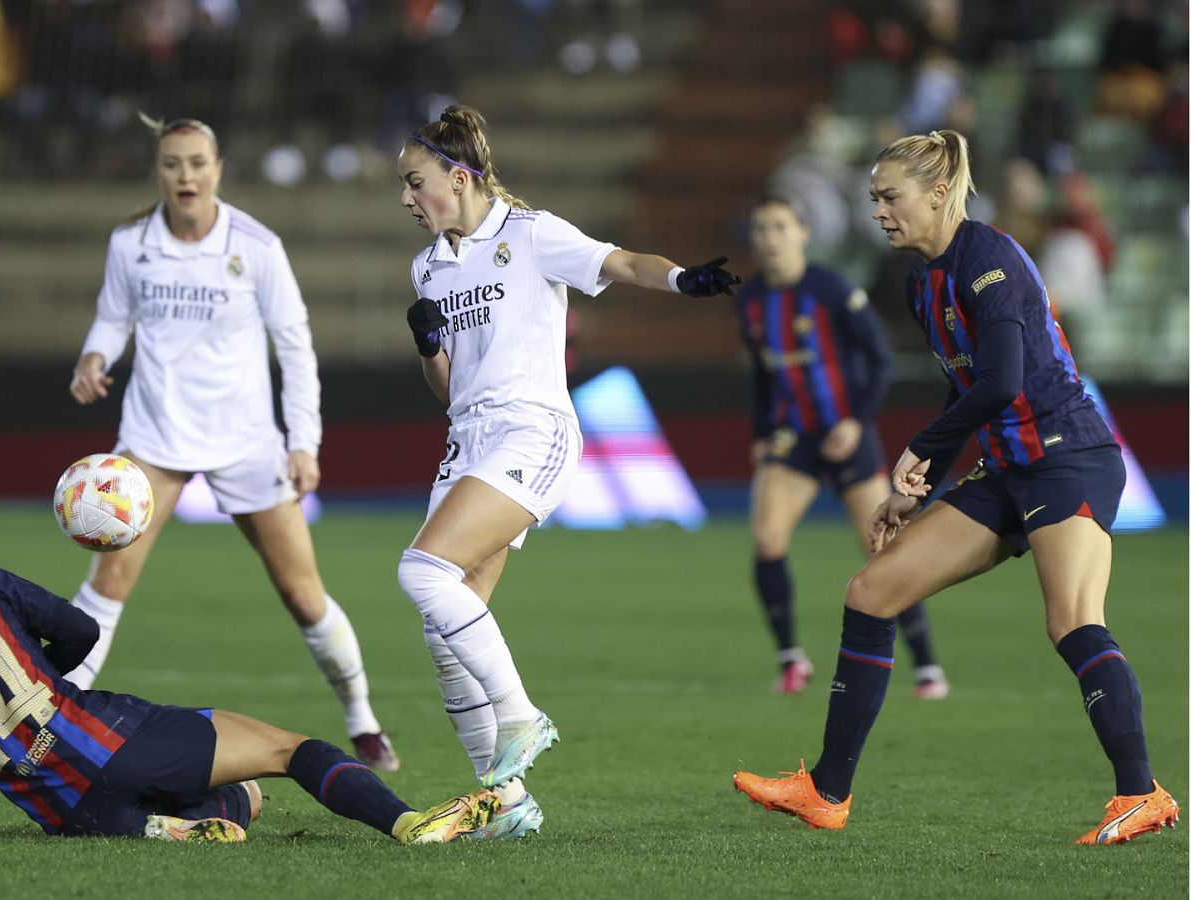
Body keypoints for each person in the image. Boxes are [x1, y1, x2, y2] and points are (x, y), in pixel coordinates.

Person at [733, 130, 1179, 845]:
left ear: (939, 194)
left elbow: (1003, 381)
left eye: (890, 196)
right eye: (874, 197)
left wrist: (919, 447)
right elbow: (966, 388)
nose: (878, 211)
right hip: (1005, 467)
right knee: (870, 593)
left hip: (1068, 458)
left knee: (1072, 620)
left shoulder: (989, 259)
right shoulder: (923, 283)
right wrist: (921, 481)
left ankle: (1141, 792)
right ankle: (826, 792)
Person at [395, 104, 739, 840]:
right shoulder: (427, 265)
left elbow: (619, 264)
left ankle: (519, 714)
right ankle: (508, 804)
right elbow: (449, 389)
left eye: (414, 181)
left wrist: (683, 281)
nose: (405, 198)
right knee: (440, 626)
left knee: (423, 572)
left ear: (458, 178)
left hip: (532, 429)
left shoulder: (530, 233)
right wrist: (430, 349)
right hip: (469, 439)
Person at [0, 520, 499, 843]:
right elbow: (81, 631)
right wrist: (44, 677)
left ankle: (160, 828)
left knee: (242, 804)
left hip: (60, 806)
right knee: (288, 753)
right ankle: (409, 826)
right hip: (106, 737)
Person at [67, 115, 399, 770]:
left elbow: (296, 347)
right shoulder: (130, 242)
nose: (185, 176)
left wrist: (304, 443)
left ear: (218, 168)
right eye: (172, 164)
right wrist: (93, 358)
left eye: (196, 163)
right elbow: (113, 315)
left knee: (303, 593)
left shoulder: (257, 246)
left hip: (247, 441)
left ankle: (363, 720)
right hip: (154, 436)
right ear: (158, 170)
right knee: (109, 576)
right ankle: (58, 717)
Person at [736, 196, 947, 698]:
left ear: (803, 233)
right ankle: (791, 658)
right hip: (795, 440)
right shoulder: (751, 300)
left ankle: (927, 666)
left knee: (883, 552)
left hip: (848, 435)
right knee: (767, 538)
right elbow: (766, 375)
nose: (770, 236)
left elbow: (879, 359)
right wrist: (764, 434)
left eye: (780, 226)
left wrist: (856, 421)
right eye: (761, 227)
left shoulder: (831, 290)